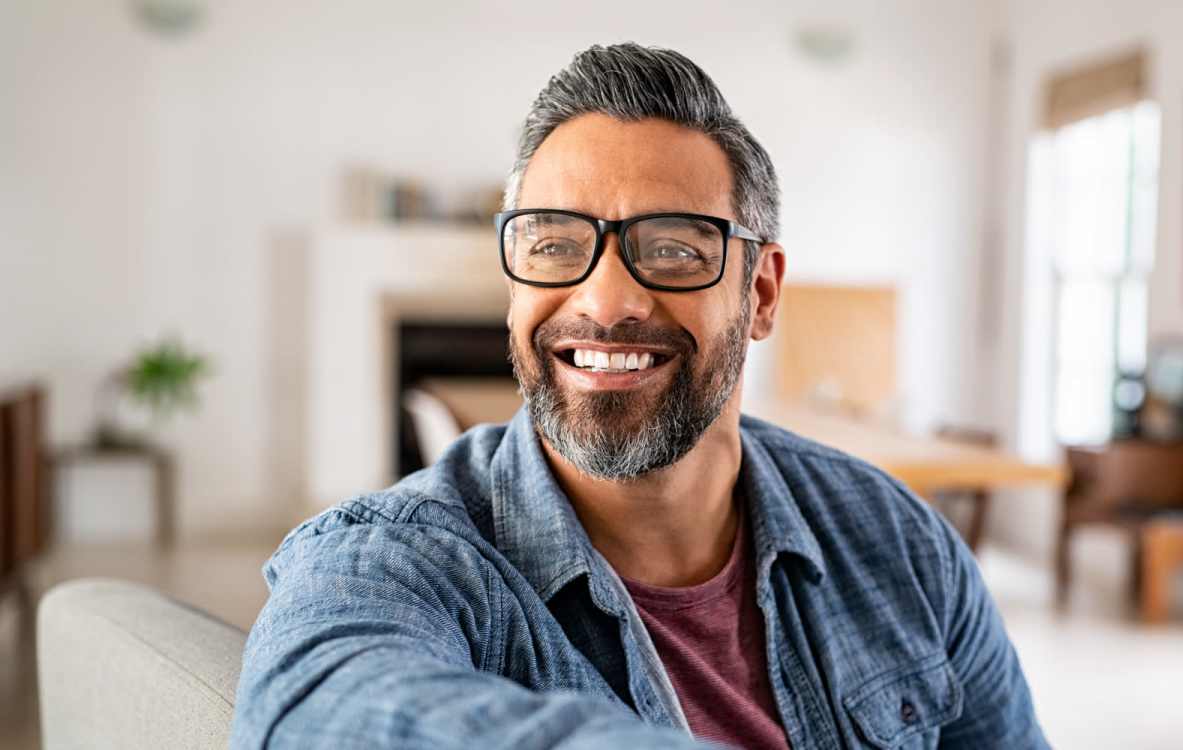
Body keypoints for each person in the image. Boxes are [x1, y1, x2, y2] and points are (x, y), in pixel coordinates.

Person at [231, 42, 1047, 749]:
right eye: (554, 244)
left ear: (760, 294)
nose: (607, 300)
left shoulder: (898, 544)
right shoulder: (403, 559)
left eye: (673, 249)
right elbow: (312, 713)